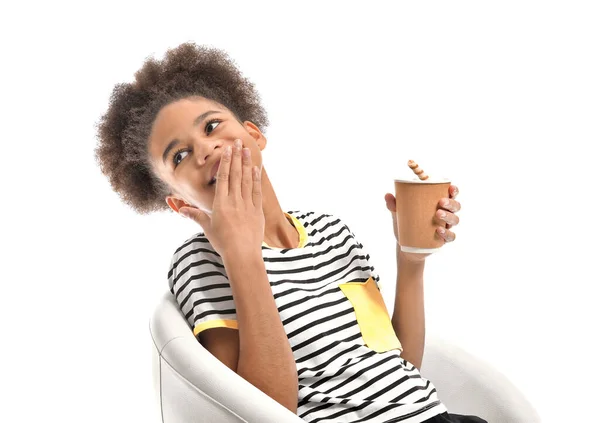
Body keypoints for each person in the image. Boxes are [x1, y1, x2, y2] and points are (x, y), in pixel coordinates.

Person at [94, 42, 486, 423]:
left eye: (212, 126)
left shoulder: (331, 231)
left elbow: (398, 367)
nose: (205, 150)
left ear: (254, 135)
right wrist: (241, 254)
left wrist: (411, 260)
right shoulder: (201, 262)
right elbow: (263, 410)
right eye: (179, 156)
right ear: (180, 203)